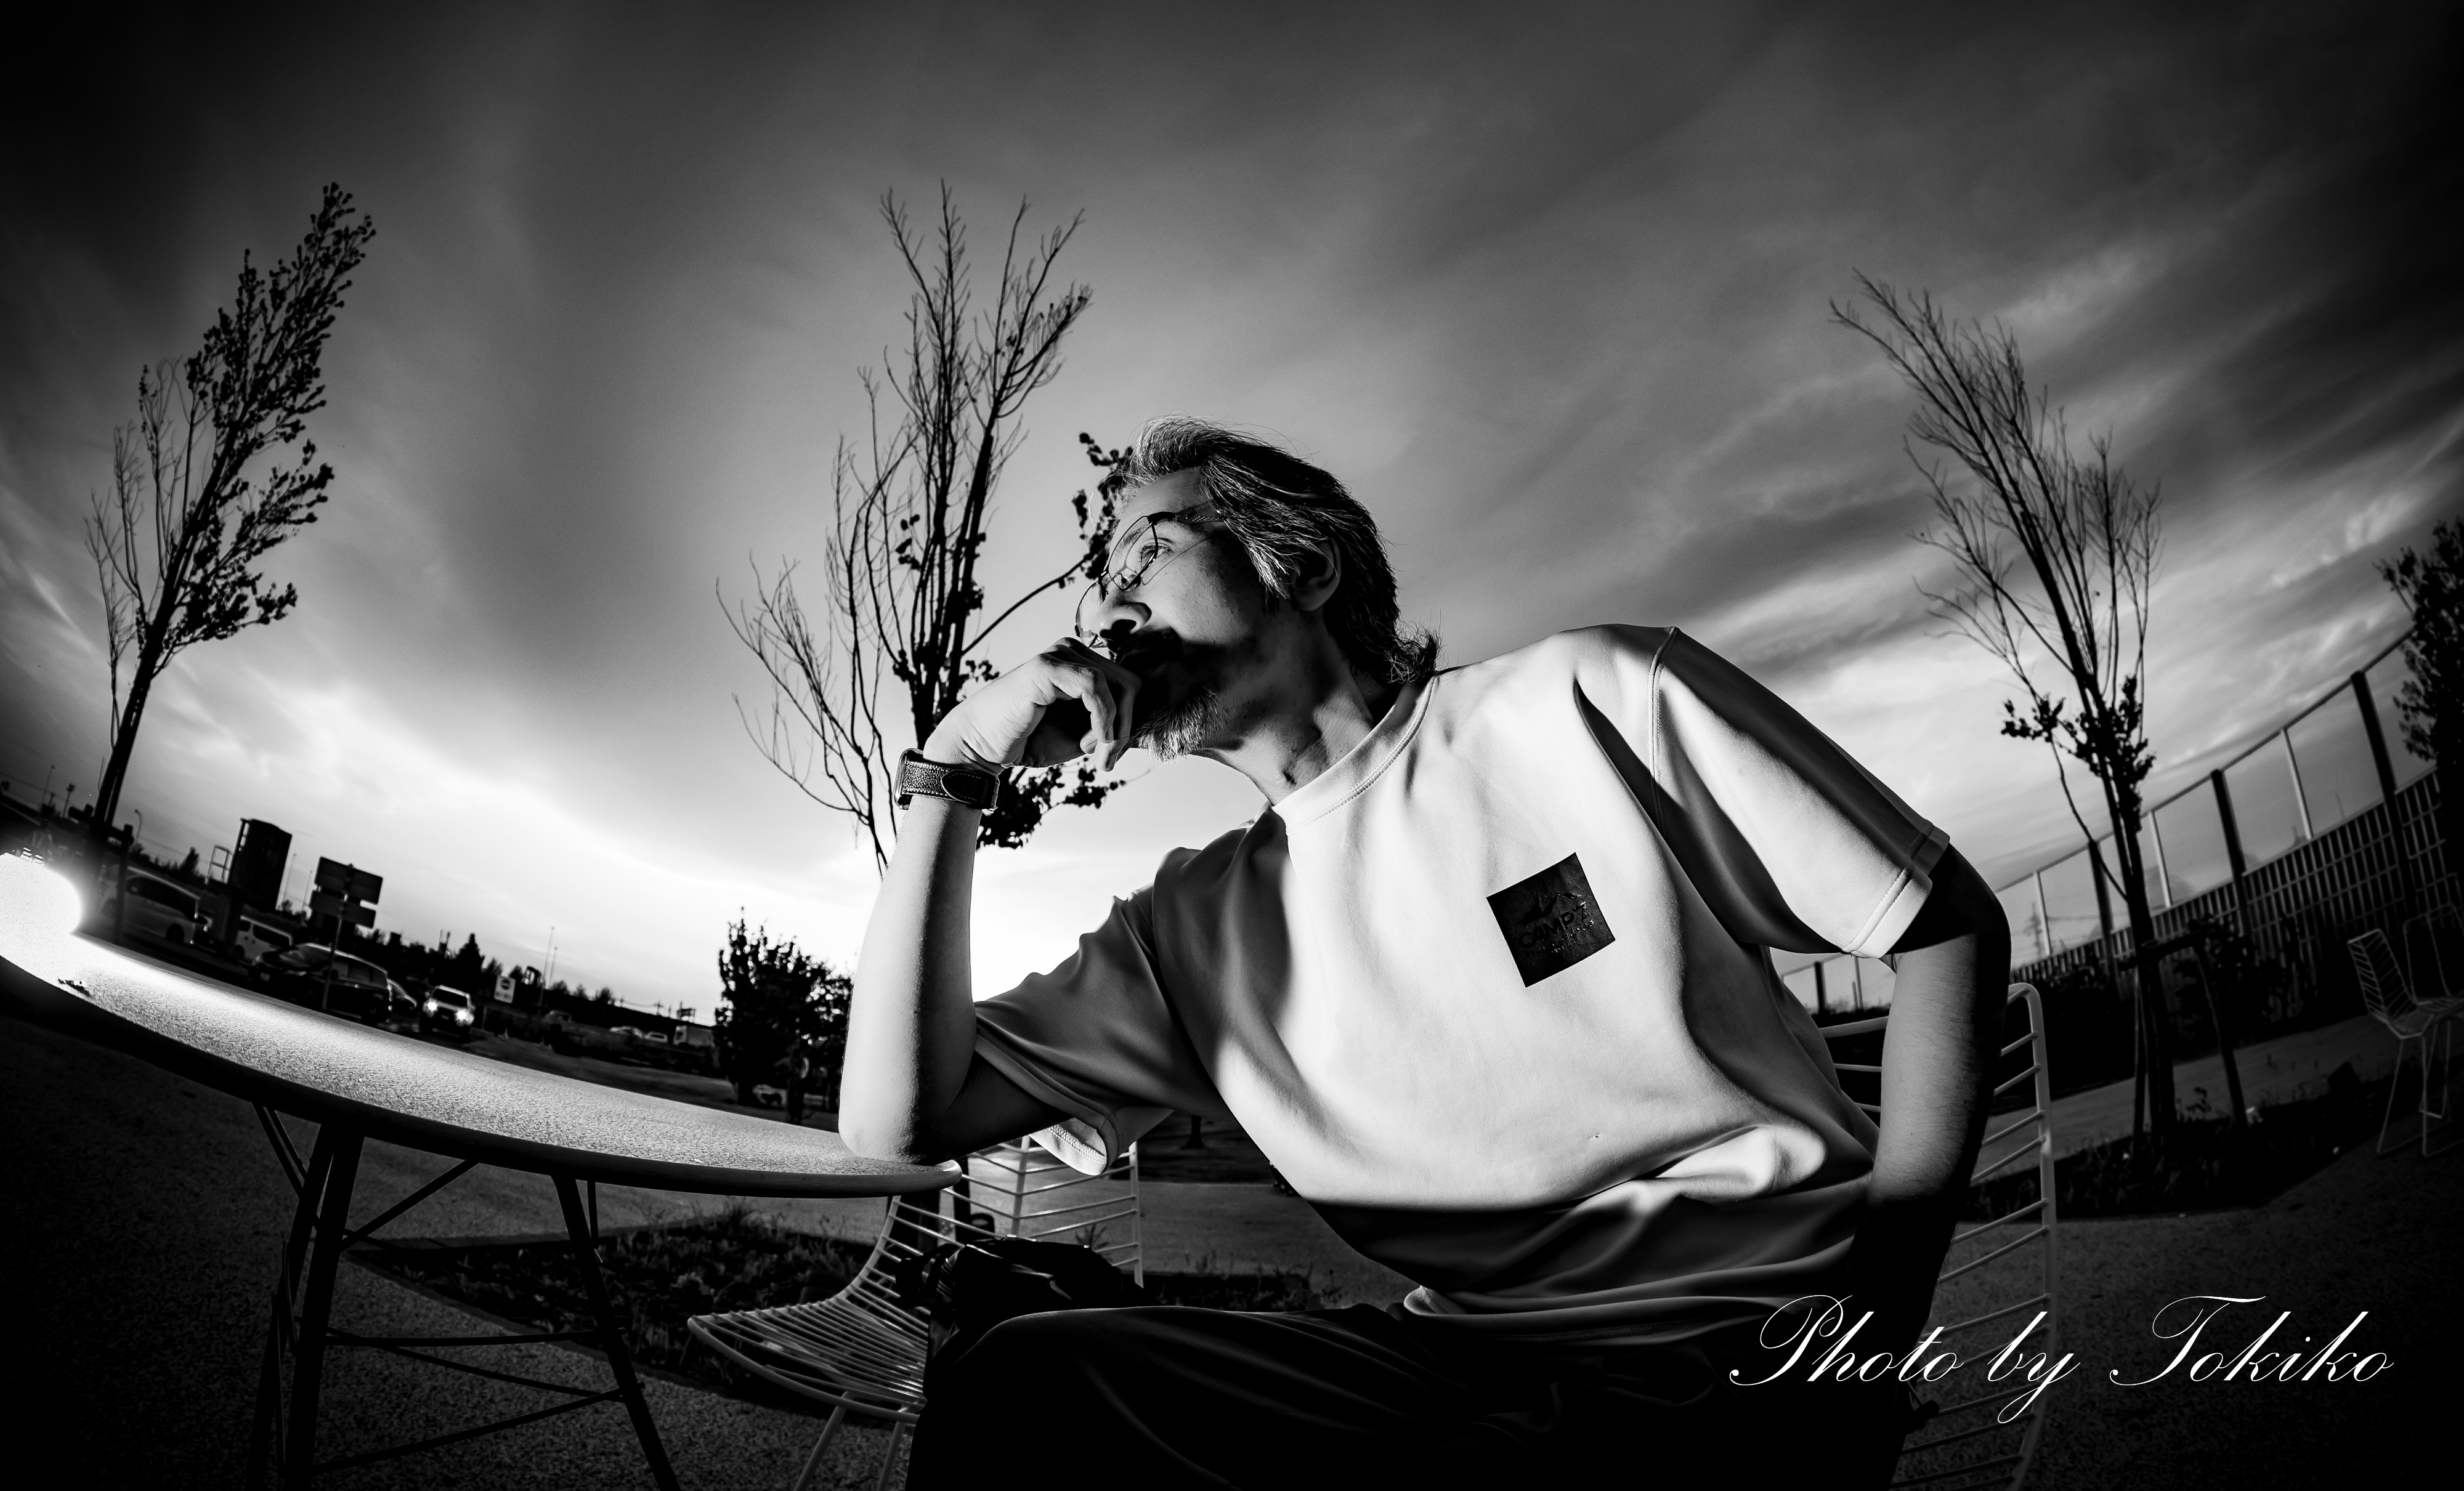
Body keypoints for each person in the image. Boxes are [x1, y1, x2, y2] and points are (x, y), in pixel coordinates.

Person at [840, 419, 2011, 1487]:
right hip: (1455, 1353)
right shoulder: (1185, 927)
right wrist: (951, 774)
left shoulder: (1591, 701)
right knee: (1023, 1379)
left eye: (1148, 551)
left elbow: (1948, 924)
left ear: (1303, 564)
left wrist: (1872, 1323)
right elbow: (901, 1122)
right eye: (1102, 582)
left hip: (1741, 1341)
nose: (1108, 611)